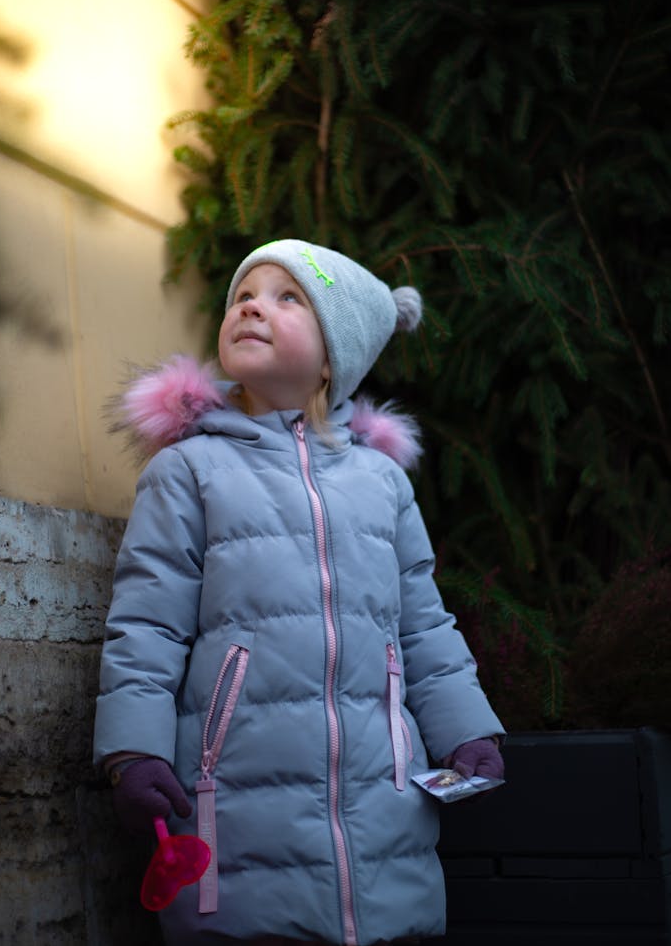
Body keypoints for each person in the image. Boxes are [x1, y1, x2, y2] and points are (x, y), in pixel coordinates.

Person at [94, 239, 505, 946]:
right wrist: (133, 751)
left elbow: (424, 627)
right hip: (238, 823)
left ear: (330, 359)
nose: (254, 303)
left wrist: (469, 727)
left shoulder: (383, 484)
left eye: (289, 298)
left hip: (387, 819)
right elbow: (147, 624)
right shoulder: (190, 471)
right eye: (245, 294)